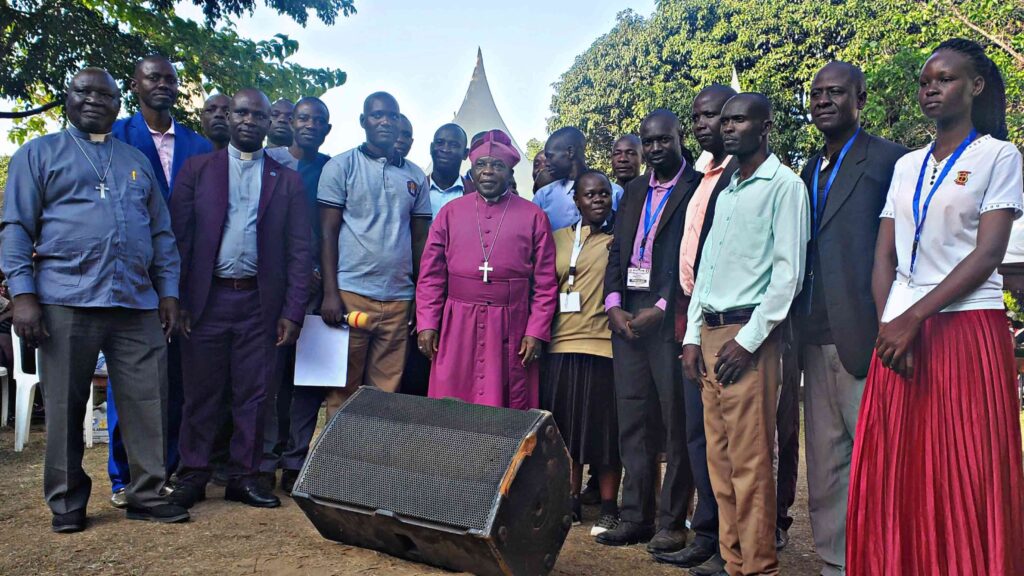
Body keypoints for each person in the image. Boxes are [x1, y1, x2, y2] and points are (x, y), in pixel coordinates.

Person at [847, 39, 1024, 575]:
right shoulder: (906, 166)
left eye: (944, 78)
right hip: (897, 333)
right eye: (925, 80)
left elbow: (989, 253)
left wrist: (913, 318)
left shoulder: (999, 155)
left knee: (963, 469)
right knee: (898, 468)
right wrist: (889, 325)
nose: (931, 87)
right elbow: (885, 254)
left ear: (975, 86)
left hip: (965, 328)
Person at [0, 67, 188, 531]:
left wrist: (168, 293)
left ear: (118, 103)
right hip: (65, 298)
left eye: (105, 94)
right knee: (63, 406)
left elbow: (161, 234)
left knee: (149, 402)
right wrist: (23, 294)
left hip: (135, 300)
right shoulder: (39, 153)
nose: (93, 100)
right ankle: (66, 503)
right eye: (83, 91)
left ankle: (146, 492)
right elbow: (17, 228)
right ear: (67, 96)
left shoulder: (135, 159)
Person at [681, 93, 808, 576]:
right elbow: (705, 271)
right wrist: (693, 339)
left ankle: (757, 566)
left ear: (766, 126)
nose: (727, 128)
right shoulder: (727, 187)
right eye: (725, 120)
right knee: (720, 461)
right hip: (710, 332)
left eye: (738, 120)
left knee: (751, 463)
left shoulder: (784, 186)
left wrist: (747, 341)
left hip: (750, 336)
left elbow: (787, 276)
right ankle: (732, 561)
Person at [168, 88, 311, 510]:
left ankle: (244, 477)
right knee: (201, 392)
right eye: (241, 113)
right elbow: (178, 240)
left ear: (270, 124)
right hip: (206, 301)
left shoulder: (286, 180)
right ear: (228, 117)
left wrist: (293, 311)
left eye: (258, 115)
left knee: (254, 395)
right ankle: (193, 474)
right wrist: (177, 300)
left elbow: (299, 251)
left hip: (259, 305)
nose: (249, 121)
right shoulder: (197, 170)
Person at [794, 62, 907, 576]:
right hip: (812, 332)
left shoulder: (890, 161)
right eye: (816, 93)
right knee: (826, 461)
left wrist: (896, 321)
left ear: (861, 97)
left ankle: (880, 558)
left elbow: (908, 249)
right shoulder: (808, 169)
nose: (822, 100)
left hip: (867, 330)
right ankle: (836, 562)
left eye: (835, 92)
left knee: (878, 458)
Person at [106, 54, 213, 510]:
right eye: (153, 77)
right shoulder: (114, 137)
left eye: (170, 78)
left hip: (186, 279)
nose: (163, 84)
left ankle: (166, 469)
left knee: (177, 382)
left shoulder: (198, 145)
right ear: (135, 85)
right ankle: (122, 475)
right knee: (127, 379)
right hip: (129, 278)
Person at [598, 109, 700, 554]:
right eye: (649, 141)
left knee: (675, 422)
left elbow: (690, 253)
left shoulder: (696, 188)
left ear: (678, 139)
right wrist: (614, 304)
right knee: (633, 419)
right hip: (627, 319)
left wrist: (662, 305)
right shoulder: (634, 190)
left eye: (663, 140)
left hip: (669, 316)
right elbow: (619, 251)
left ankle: (672, 521)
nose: (656, 148)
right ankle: (635, 517)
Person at [652, 84, 738, 574]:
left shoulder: (749, 177)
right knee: (697, 434)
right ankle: (707, 531)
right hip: (692, 315)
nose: (707, 124)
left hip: (733, 321)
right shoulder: (703, 177)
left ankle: (737, 540)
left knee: (733, 439)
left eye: (716, 115)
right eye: (699, 116)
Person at [416, 130, 557, 409]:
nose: (488, 172)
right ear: (472, 169)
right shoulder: (450, 212)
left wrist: (536, 331)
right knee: (451, 400)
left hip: (511, 323)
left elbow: (545, 283)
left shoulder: (533, 216)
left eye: (497, 166)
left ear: (509, 171)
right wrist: (428, 322)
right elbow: (431, 275)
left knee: (505, 405)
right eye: (481, 165)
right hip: (457, 323)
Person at [318, 91, 431, 408]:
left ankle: (370, 456)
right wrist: (330, 292)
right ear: (363, 121)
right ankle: (338, 458)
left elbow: (419, 239)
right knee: (342, 388)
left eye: (392, 116)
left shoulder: (415, 176)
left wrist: (418, 296)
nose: (385, 121)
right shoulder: (341, 166)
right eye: (377, 115)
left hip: (398, 299)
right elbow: (327, 232)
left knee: (384, 394)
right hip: (351, 294)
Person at [541, 170, 622, 534]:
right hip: (561, 346)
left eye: (604, 193)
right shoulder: (556, 240)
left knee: (605, 431)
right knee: (566, 430)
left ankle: (608, 506)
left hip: (604, 348)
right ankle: (569, 499)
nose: (598, 200)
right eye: (590, 194)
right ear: (576, 200)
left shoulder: (621, 240)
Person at [262, 96, 333, 492]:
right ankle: (265, 458)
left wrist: (322, 274)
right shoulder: (268, 163)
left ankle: (296, 461)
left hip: (318, 289)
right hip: (272, 287)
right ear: (289, 122)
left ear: (327, 128)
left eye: (317, 120)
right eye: (302, 118)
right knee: (270, 377)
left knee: (308, 379)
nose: (308, 125)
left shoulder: (332, 169)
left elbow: (336, 230)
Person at [398, 123, 470, 399]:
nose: (445, 149)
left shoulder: (475, 194)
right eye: (439, 143)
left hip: (458, 296)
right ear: (430, 147)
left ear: (465, 154)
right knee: (415, 367)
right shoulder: (415, 188)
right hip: (415, 289)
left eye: (453, 145)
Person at [534, 127, 623, 230]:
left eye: (550, 156)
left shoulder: (616, 193)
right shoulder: (543, 197)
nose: (547, 164)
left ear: (570, 152)